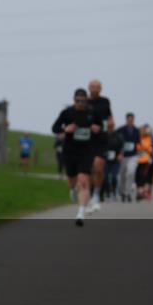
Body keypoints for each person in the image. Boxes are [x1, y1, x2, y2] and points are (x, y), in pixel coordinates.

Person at [52, 88, 103, 227]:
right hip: (70, 151)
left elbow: (100, 128)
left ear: (86, 101)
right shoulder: (67, 113)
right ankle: (72, 190)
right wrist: (65, 129)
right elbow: (54, 128)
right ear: (74, 100)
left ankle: (81, 213)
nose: (80, 103)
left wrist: (97, 129)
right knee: (72, 181)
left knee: (83, 181)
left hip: (86, 151)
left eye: (83, 101)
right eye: (77, 100)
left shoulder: (92, 113)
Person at [87, 80, 113, 213]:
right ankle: (90, 193)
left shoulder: (105, 101)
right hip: (88, 139)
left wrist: (110, 123)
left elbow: (109, 117)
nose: (95, 89)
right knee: (90, 168)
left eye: (97, 87)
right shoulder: (84, 102)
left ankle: (97, 193)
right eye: (92, 87)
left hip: (102, 138)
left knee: (98, 167)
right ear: (89, 88)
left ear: (101, 89)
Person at [117, 112, 141, 202]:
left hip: (133, 156)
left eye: (132, 119)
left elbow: (138, 143)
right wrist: (118, 153)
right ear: (126, 120)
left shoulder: (136, 130)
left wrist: (140, 153)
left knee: (130, 173)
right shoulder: (120, 130)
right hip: (123, 156)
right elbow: (116, 142)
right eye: (129, 119)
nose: (130, 121)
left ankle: (128, 193)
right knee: (122, 175)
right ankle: (122, 192)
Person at [102, 120, 124, 202]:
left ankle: (114, 192)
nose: (110, 126)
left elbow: (122, 147)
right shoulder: (103, 135)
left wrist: (120, 154)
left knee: (114, 177)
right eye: (109, 125)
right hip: (105, 159)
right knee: (105, 177)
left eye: (112, 125)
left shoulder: (118, 135)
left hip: (115, 159)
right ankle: (107, 193)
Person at [136, 125, 153, 201]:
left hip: (145, 161)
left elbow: (150, 149)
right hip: (137, 160)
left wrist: (145, 148)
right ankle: (140, 192)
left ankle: (141, 192)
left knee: (143, 176)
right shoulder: (138, 139)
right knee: (137, 176)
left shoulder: (148, 139)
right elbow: (137, 148)